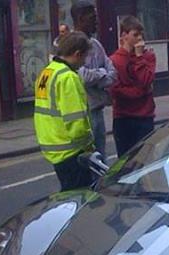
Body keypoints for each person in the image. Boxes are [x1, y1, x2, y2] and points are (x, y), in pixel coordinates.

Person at [34, 31, 95, 192]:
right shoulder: (68, 77)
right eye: (84, 57)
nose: (84, 63)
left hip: (53, 146)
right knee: (80, 198)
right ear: (77, 54)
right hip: (71, 150)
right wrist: (89, 146)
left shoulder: (47, 72)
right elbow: (76, 121)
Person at [71, 0, 117, 159]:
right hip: (82, 116)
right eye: (92, 17)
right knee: (87, 163)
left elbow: (113, 74)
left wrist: (97, 75)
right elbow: (81, 76)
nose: (97, 21)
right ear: (80, 18)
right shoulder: (69, 45)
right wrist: (102, 73)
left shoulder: (96, 44)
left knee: (100, 161)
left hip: (98, 112)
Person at [110, 15, 156, 157]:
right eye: (135, 35)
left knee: (145, 161)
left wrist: (138, 57)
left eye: (141, 34)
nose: (139, 38)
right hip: (124, 118)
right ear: (124, 36)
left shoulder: (147, 57)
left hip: (145, 117)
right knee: (125, 162)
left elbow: (145, 80)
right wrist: (142, 91)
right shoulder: (114, 60)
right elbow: (116, 91)